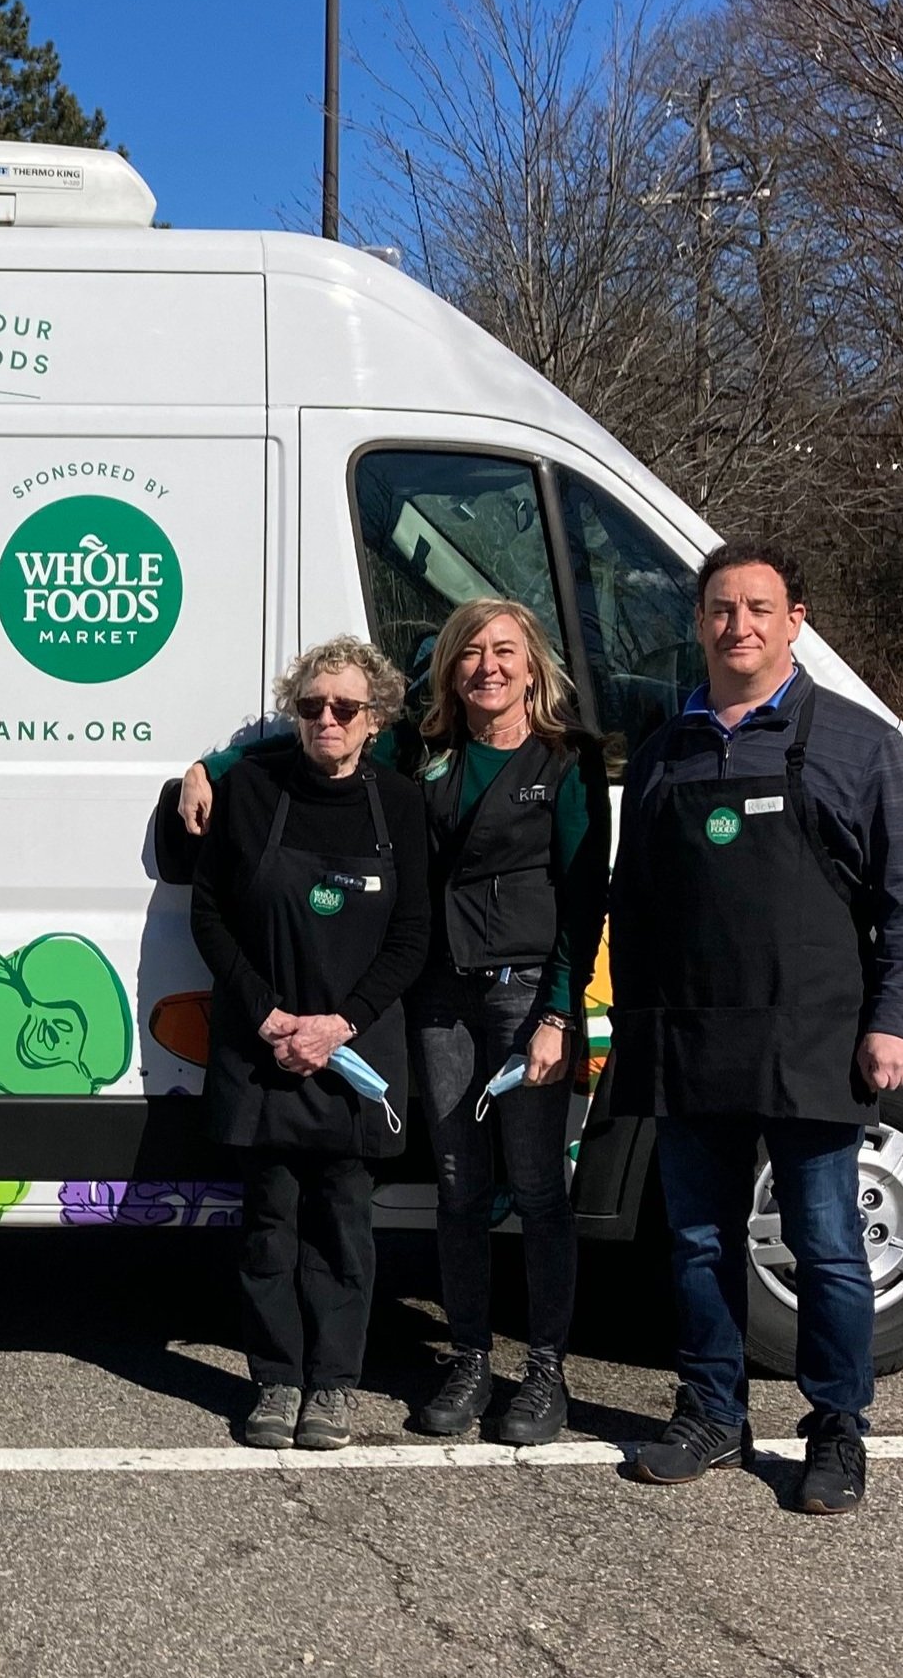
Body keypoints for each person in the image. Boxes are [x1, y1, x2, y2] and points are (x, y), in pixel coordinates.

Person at [180, 599, 608, 1442]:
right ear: (448, 671)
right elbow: (307, 743)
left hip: (523, 997)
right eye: (470, 653)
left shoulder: (567, 760)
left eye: (504, 652)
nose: (487, 666)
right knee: (458, 1189)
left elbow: (584, 894)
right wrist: (212, 763)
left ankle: (545, 1372)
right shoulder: (430, 753)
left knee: (535, 1186)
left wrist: (562, 1011)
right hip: (441, 999)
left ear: (532, 666)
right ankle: (472, 1359)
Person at [609, 540, 903, 1516]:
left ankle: (836, 1427)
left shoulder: (857, 743)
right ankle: (711, 1411)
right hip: (688, 1038)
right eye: (718, 608)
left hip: (812, 1040)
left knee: (826, 1244)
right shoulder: (665, 749)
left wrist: (892, 1021)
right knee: (699, 1241)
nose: (736, 625)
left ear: (794, 621)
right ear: (697, 622)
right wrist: (629, 1029)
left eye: (757, 608)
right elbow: (636, 900)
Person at [189, 637, 430, 1451]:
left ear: (376, 719)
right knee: (269, 1221)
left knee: (342, 1223)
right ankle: (275, 1380)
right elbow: (210, 914)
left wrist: (336, 1025)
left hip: (352, 1049)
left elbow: (412, 936)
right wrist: (267, 1016)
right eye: (312, 705)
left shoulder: (399, 802)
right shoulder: (251, 788)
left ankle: (332, 1386)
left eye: (346, 708)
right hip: (264, 1044)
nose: (327, 718)